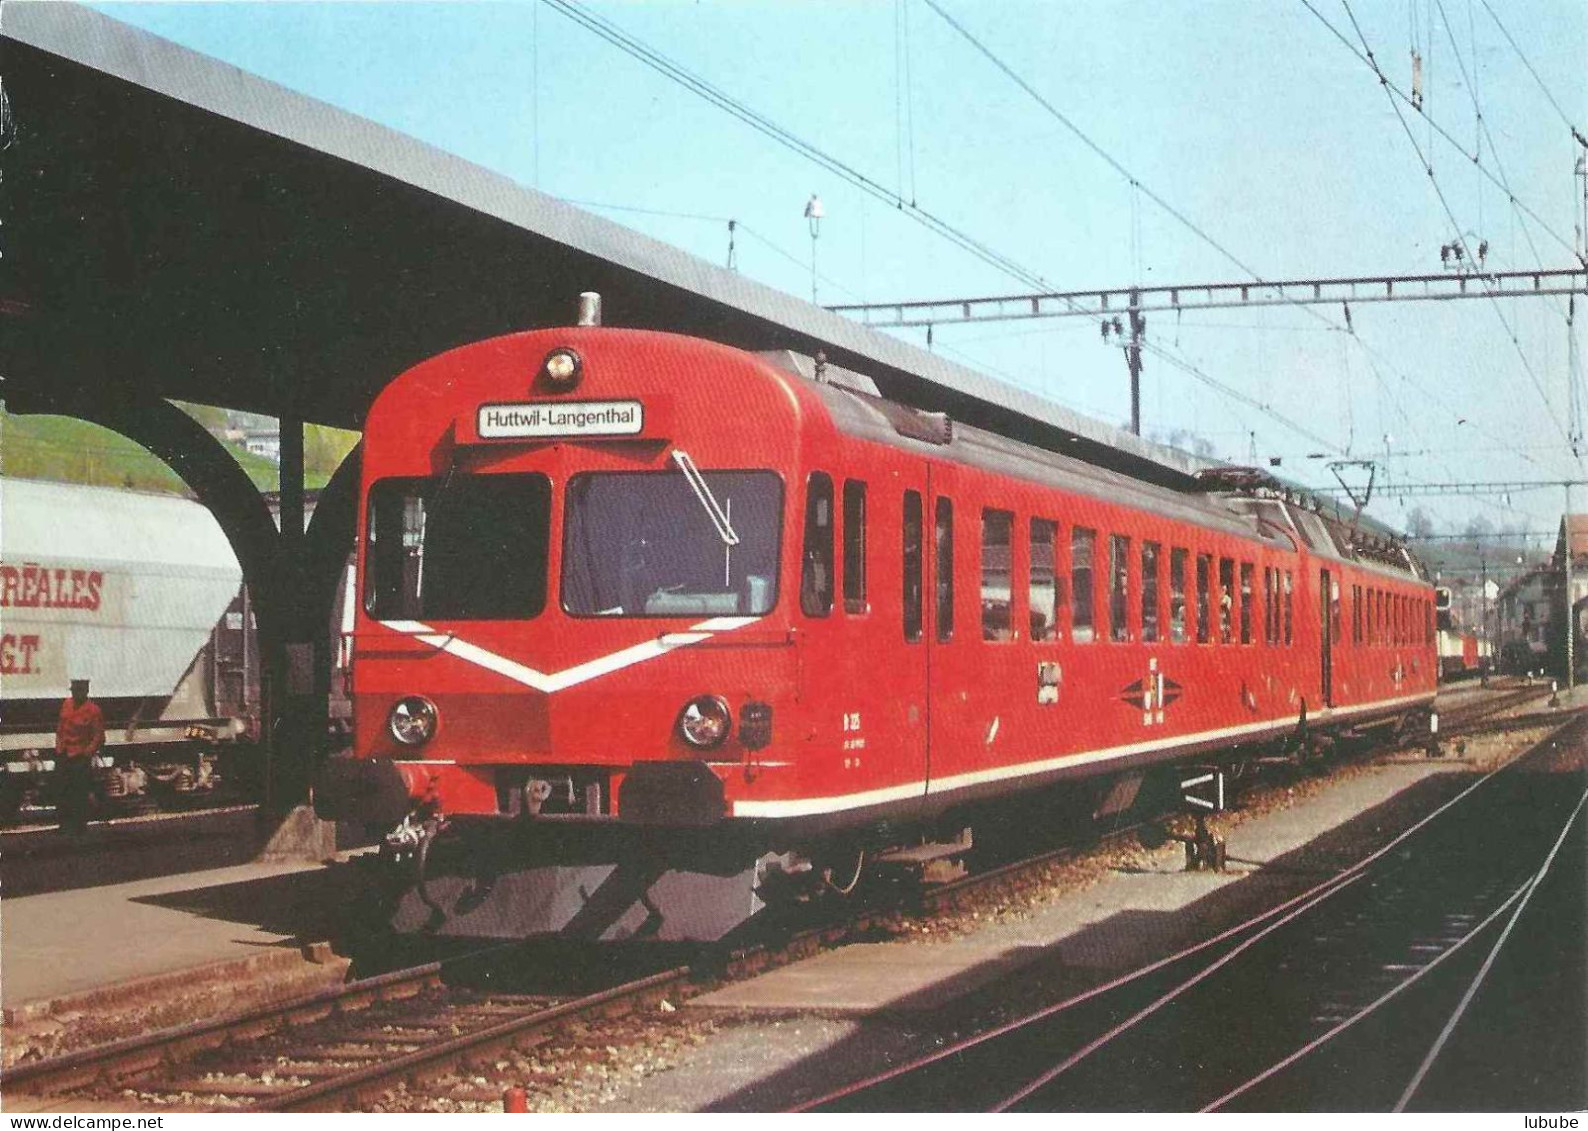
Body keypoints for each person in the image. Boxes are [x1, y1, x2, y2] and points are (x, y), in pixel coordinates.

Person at [56, 678, 104, 835]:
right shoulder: (67, 704)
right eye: (73, 691)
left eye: (78, 691)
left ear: (85, 692)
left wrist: (87, 753)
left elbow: (98, 736)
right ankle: (64, 825)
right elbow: (61, 727)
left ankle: (78, 827)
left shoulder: (93, 710)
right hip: (64, 754)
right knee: (63, 791)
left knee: (79, 793)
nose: (75, 694)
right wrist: (58, 747)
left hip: (79, 756)